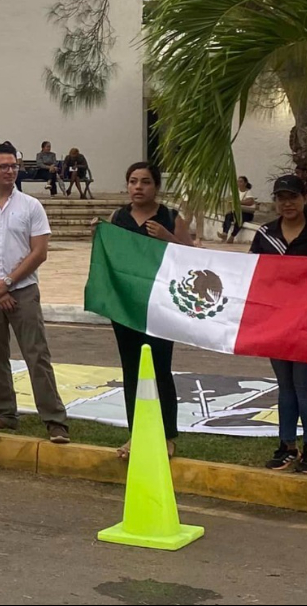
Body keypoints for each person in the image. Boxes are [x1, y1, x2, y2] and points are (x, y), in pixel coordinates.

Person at [0, 141, 70, 443]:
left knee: (37, 354)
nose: (10, 171)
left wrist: (6, 282)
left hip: (22, 291)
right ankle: (5, 413)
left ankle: (54, 419)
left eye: (14, 165)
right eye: (4, 166)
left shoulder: (31, 206)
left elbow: (39, 252)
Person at [250, 175, 307, 474]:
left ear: (305, 198)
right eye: (281, 197)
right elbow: (252, 274)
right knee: (285, 385)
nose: (286, 203)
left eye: (292, 197)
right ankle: (287, 445)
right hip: (275, 323)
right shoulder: (265, 234)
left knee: (304, 385)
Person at [107, 161, 194, 458]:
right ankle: (136, 434)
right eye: (133, 182)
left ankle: (168, 435)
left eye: (145, 182)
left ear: (156, 186)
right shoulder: (118, 217)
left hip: (160, 308)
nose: (138, 188)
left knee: (159, 370)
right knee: (132, 371)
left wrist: (167, 238)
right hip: (126, 308)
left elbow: (191, 259)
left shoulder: (170, 217)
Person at [219, 176, 257, 243]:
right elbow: (230, 199)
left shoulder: (248, 192)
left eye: (241, 181)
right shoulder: (235, 191)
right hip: (237, 211)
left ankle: (232, 236)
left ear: (245, 183)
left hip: (247, 213)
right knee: (228, 216)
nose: (239, 183)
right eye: (238, 181)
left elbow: (250, 201)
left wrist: (238, 202)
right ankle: (225, 233)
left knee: (239, 219)